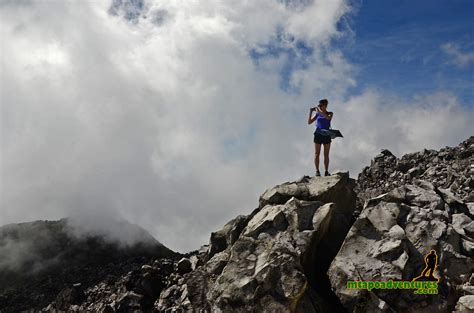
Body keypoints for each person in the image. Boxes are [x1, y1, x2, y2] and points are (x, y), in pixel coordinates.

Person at [307, 99, 333, 176]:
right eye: (319, 105)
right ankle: (317, 171)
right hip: (318, 134)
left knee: (326, 154)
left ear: (325, 106)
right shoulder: (318, 114)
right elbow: (309, 122)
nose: (319, 107)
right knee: (317, 154)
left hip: (326, 134)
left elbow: (327, 117)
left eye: (321, 105)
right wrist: (311, 112)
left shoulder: (329, 113)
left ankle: (326, 171)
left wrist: (317, 109)